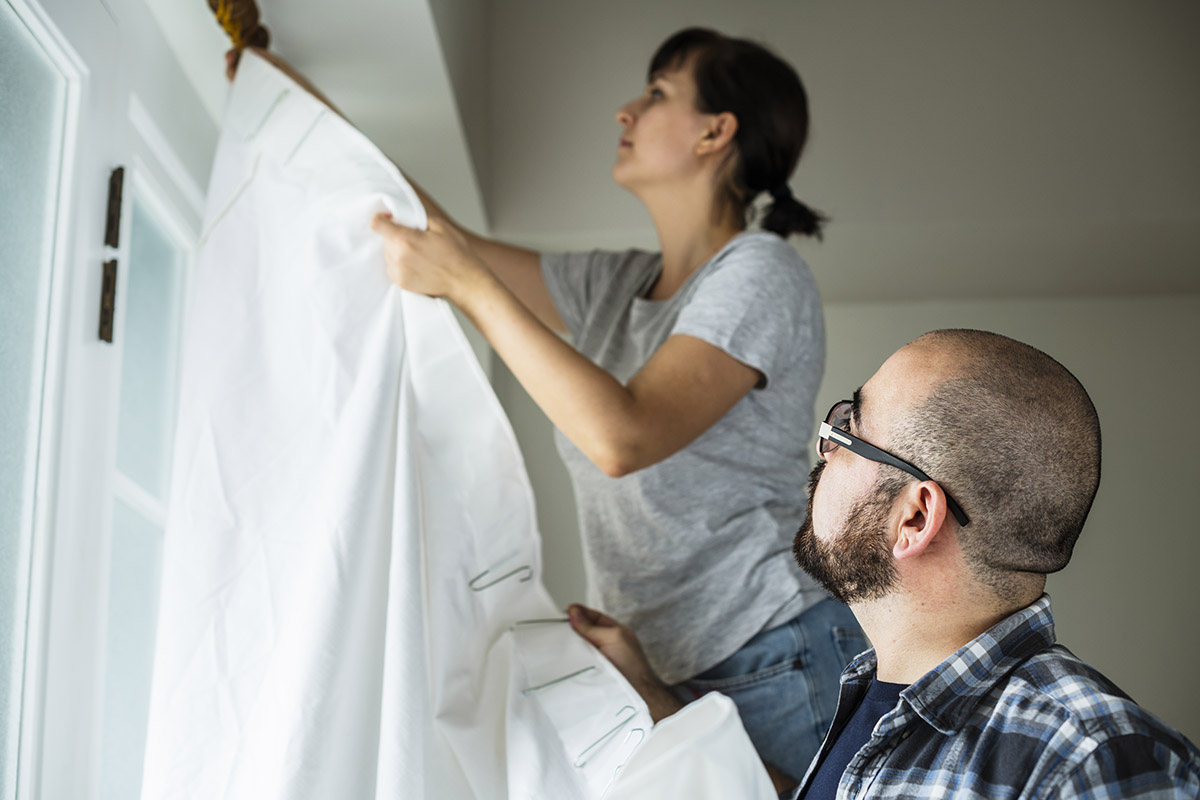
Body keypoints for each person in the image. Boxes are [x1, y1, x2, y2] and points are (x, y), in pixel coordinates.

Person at [368, 27, 865, 788]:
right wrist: (301, 112)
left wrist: (469, 287)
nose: (625, 112)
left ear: (715, 131)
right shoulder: (613, 287)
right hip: (662, 667)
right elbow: (448, 242)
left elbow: (622, 435)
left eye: (658, 93)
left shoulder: (762, 271)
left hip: (772, 653)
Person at [570, 329, 1200, 798]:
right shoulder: (876, 703)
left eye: (848, 428)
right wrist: (653, 698)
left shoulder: (1092, 757)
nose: (821, 447)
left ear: (915, 519)